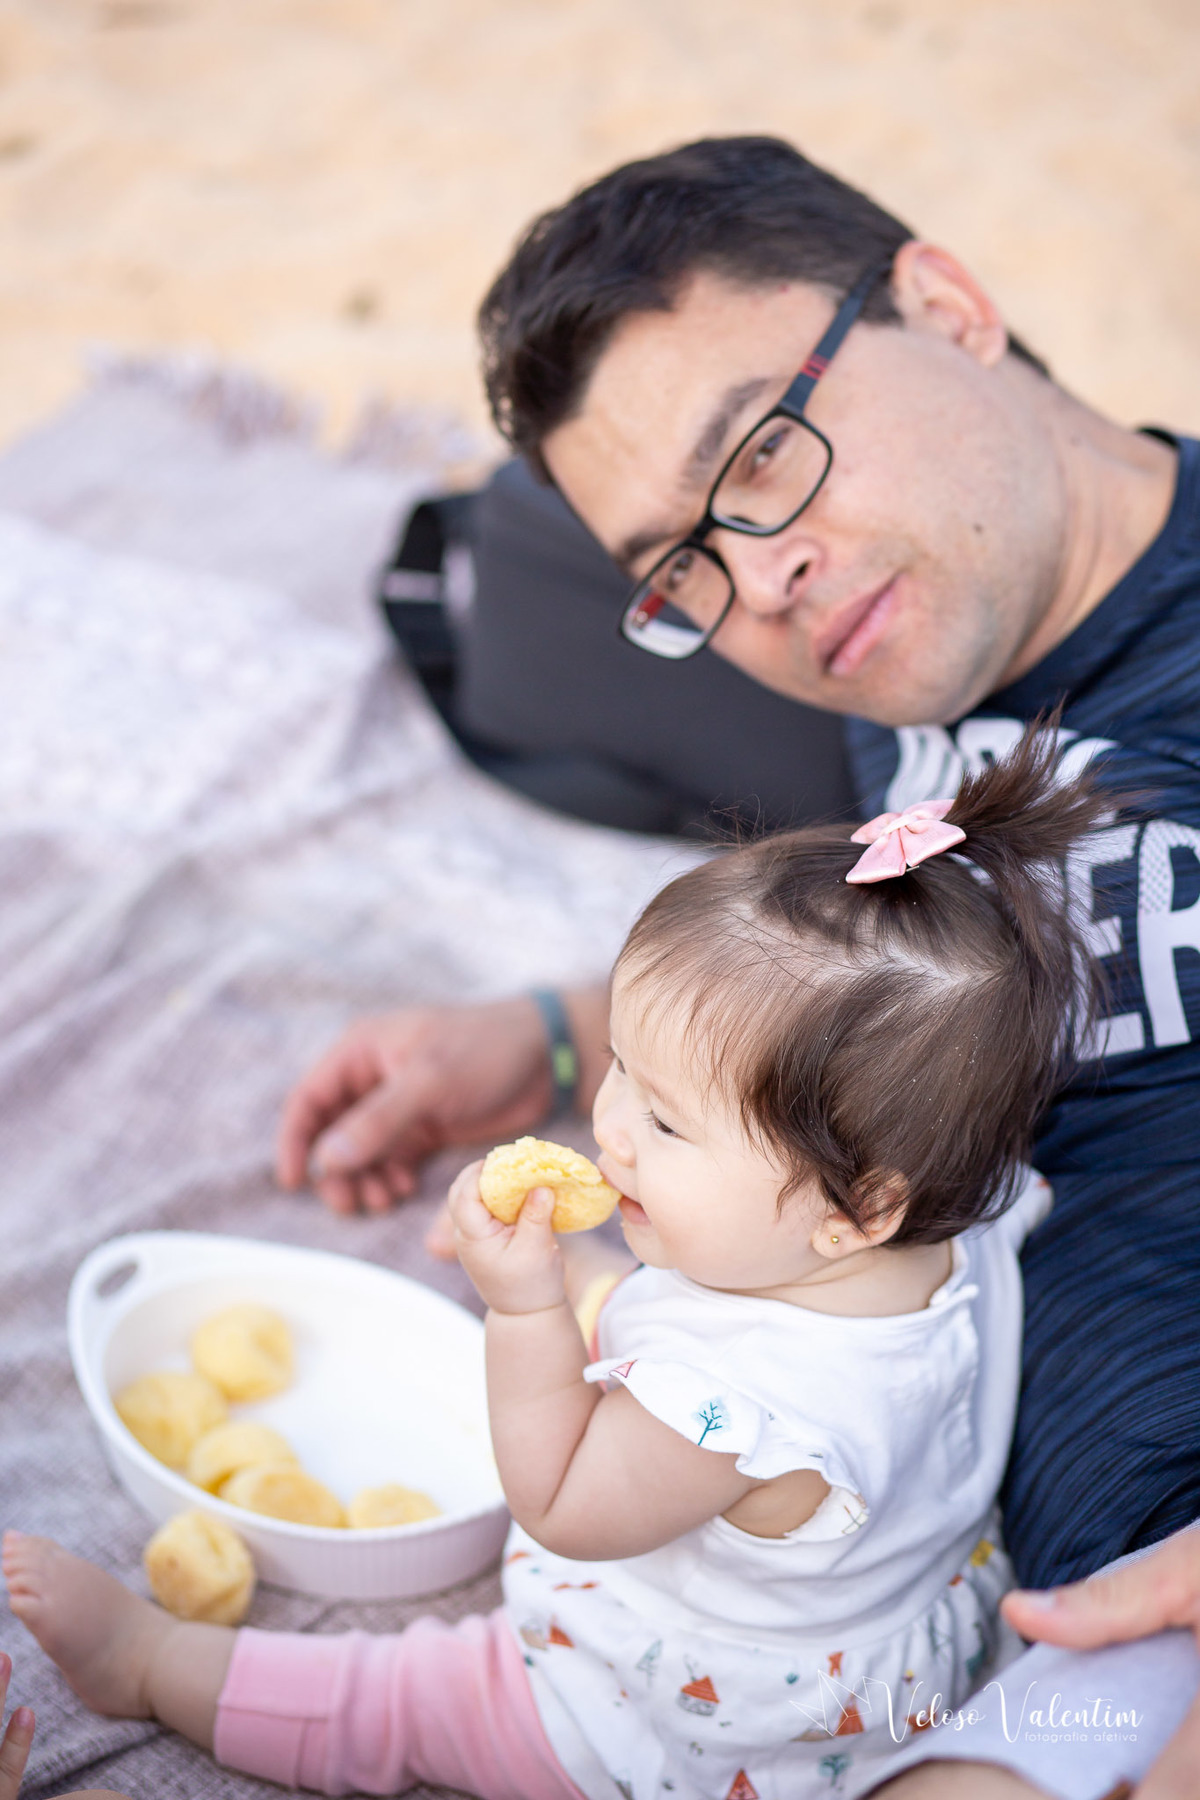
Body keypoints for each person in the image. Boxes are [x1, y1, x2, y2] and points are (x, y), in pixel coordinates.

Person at [274, 136, 1200, 1793]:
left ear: (950, 309)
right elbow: (861, 990)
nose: (758, 577)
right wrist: (556, 1039)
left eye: (767, 452)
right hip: (990, 1638)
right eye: (680, 567)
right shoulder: (914, 733)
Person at [6, 732, 1146, 1799]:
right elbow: (739, 1275)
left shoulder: (729, 1405)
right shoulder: (971, 1221)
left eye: (667, 1121)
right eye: (622, 1076)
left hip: (681, 1720)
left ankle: (152, 1665)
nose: (608, 1129)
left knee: (404, 1702)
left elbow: (558, 1497)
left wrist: (526, 1307)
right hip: (889, 1647)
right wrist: (632, 1236)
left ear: (857, 1207)